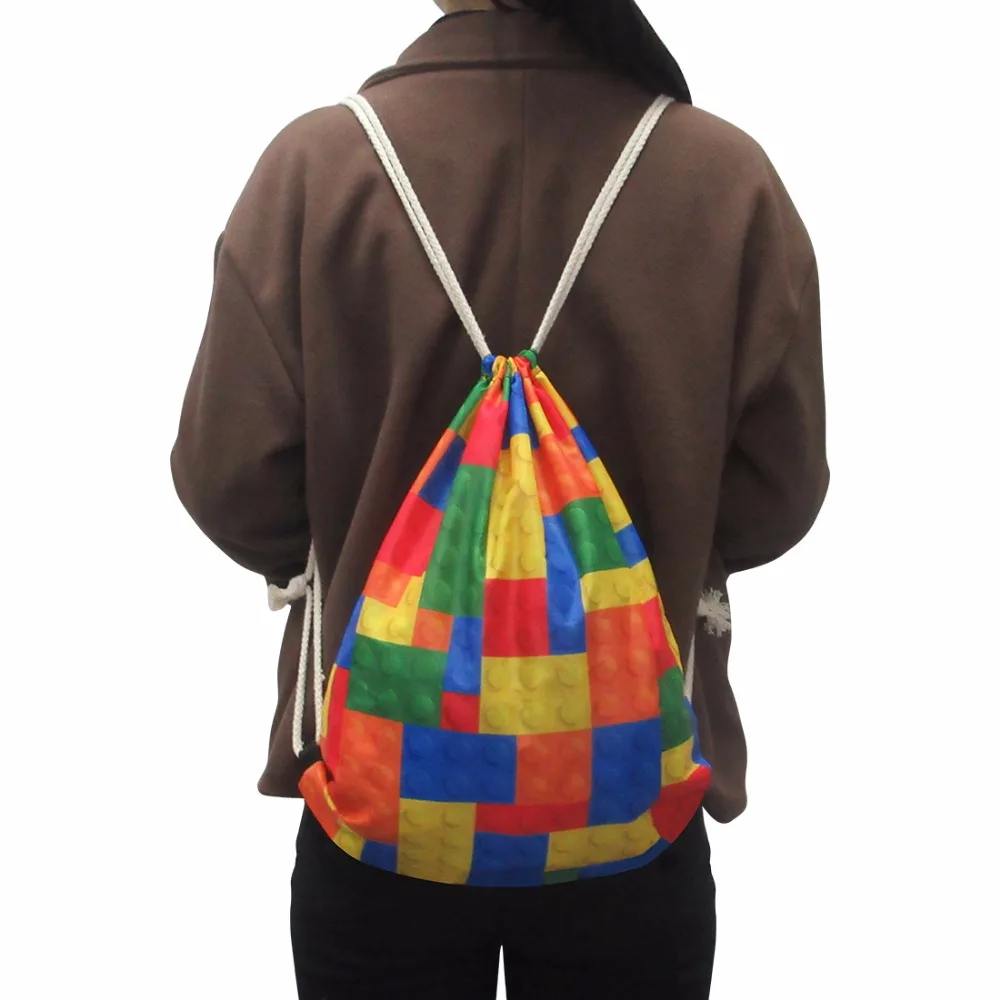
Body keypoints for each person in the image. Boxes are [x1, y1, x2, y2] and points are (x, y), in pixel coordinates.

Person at [170, 1, 828, 997]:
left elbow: (229, 482)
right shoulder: (724, 179)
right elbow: (779, 493)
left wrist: (366, 550)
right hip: (630, 804)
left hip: (382, 805)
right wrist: (652, 535)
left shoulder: (314, 171)